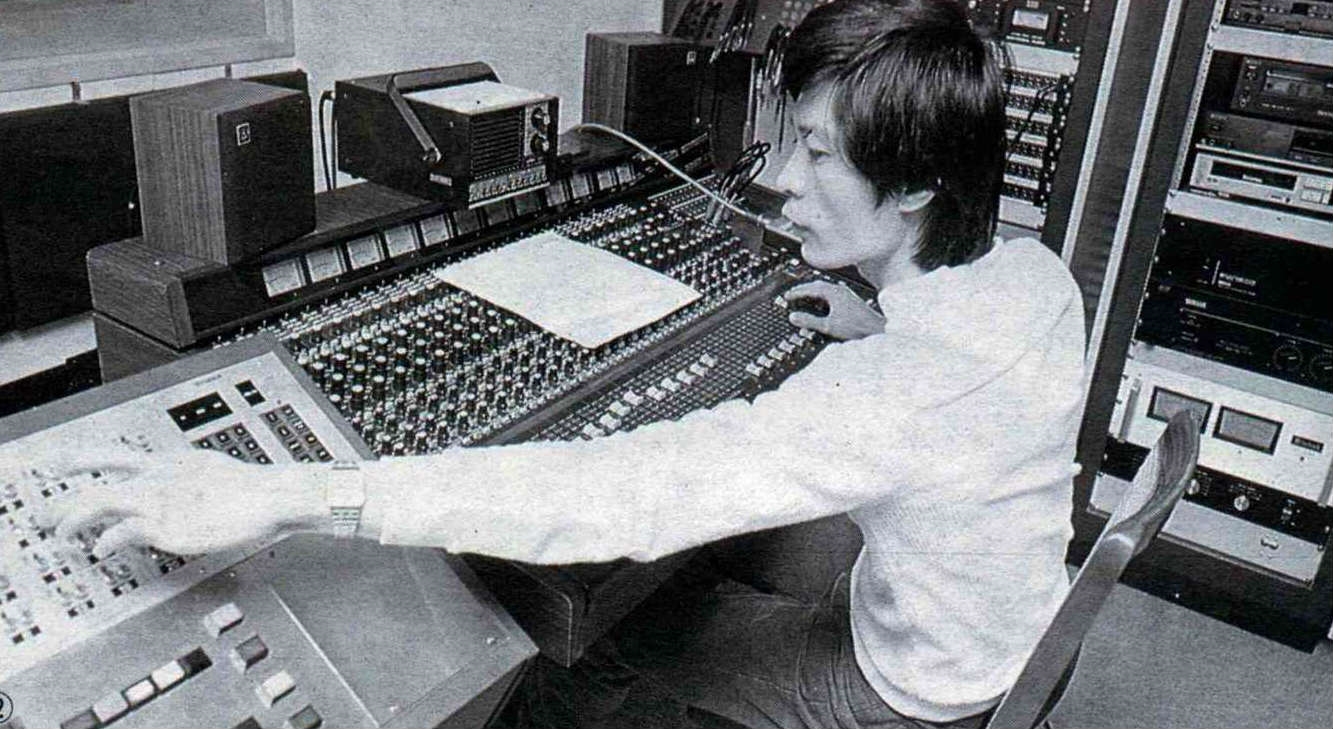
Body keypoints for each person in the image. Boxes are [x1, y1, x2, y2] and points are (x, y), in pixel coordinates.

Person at [48, 1, 1086, 726]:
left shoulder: (896, 395)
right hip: (1011, 638)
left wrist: (288, 494)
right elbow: (950, 395)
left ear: (916, 185)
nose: (776, 178)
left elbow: (632, 493)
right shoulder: (1031, 277)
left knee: (609, 633)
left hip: (912, 691)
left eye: (816, 152)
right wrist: (875, 326)